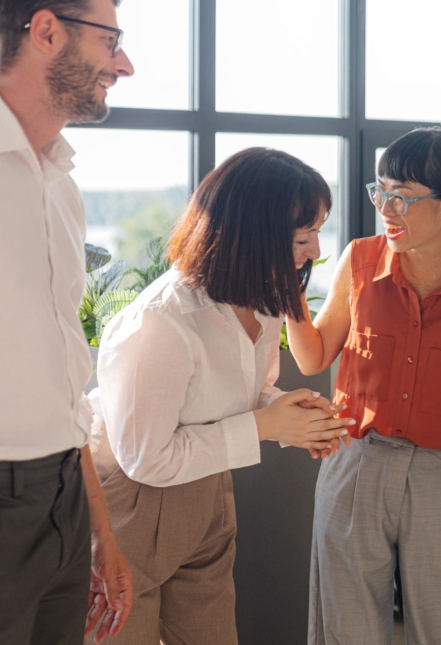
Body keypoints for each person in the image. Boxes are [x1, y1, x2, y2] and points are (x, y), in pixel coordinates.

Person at [89, 147, 355, 644]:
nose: (316, 251)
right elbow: (146, 460)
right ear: (253, 236)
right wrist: (266, 426)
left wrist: (285, 414)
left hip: (206, 492)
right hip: (130, 503)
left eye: (319, 231)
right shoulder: (161, 323)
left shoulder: (262, 302)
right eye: (303, 236)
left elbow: (237, 394)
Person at [287, 126, 441, 645]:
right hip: (355, 461)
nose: (386, 210)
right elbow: (313, 356)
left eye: (402, 198)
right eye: (380, 191)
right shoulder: (360, 259)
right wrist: (286, 291)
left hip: (440, 471)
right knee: (347, 627)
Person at [0, 1, 136, 642]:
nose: (125, 64)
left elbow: (63, 384)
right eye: (111, 40)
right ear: (47, 31)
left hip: (63, 497)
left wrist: (100, 534)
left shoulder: (63, 187)